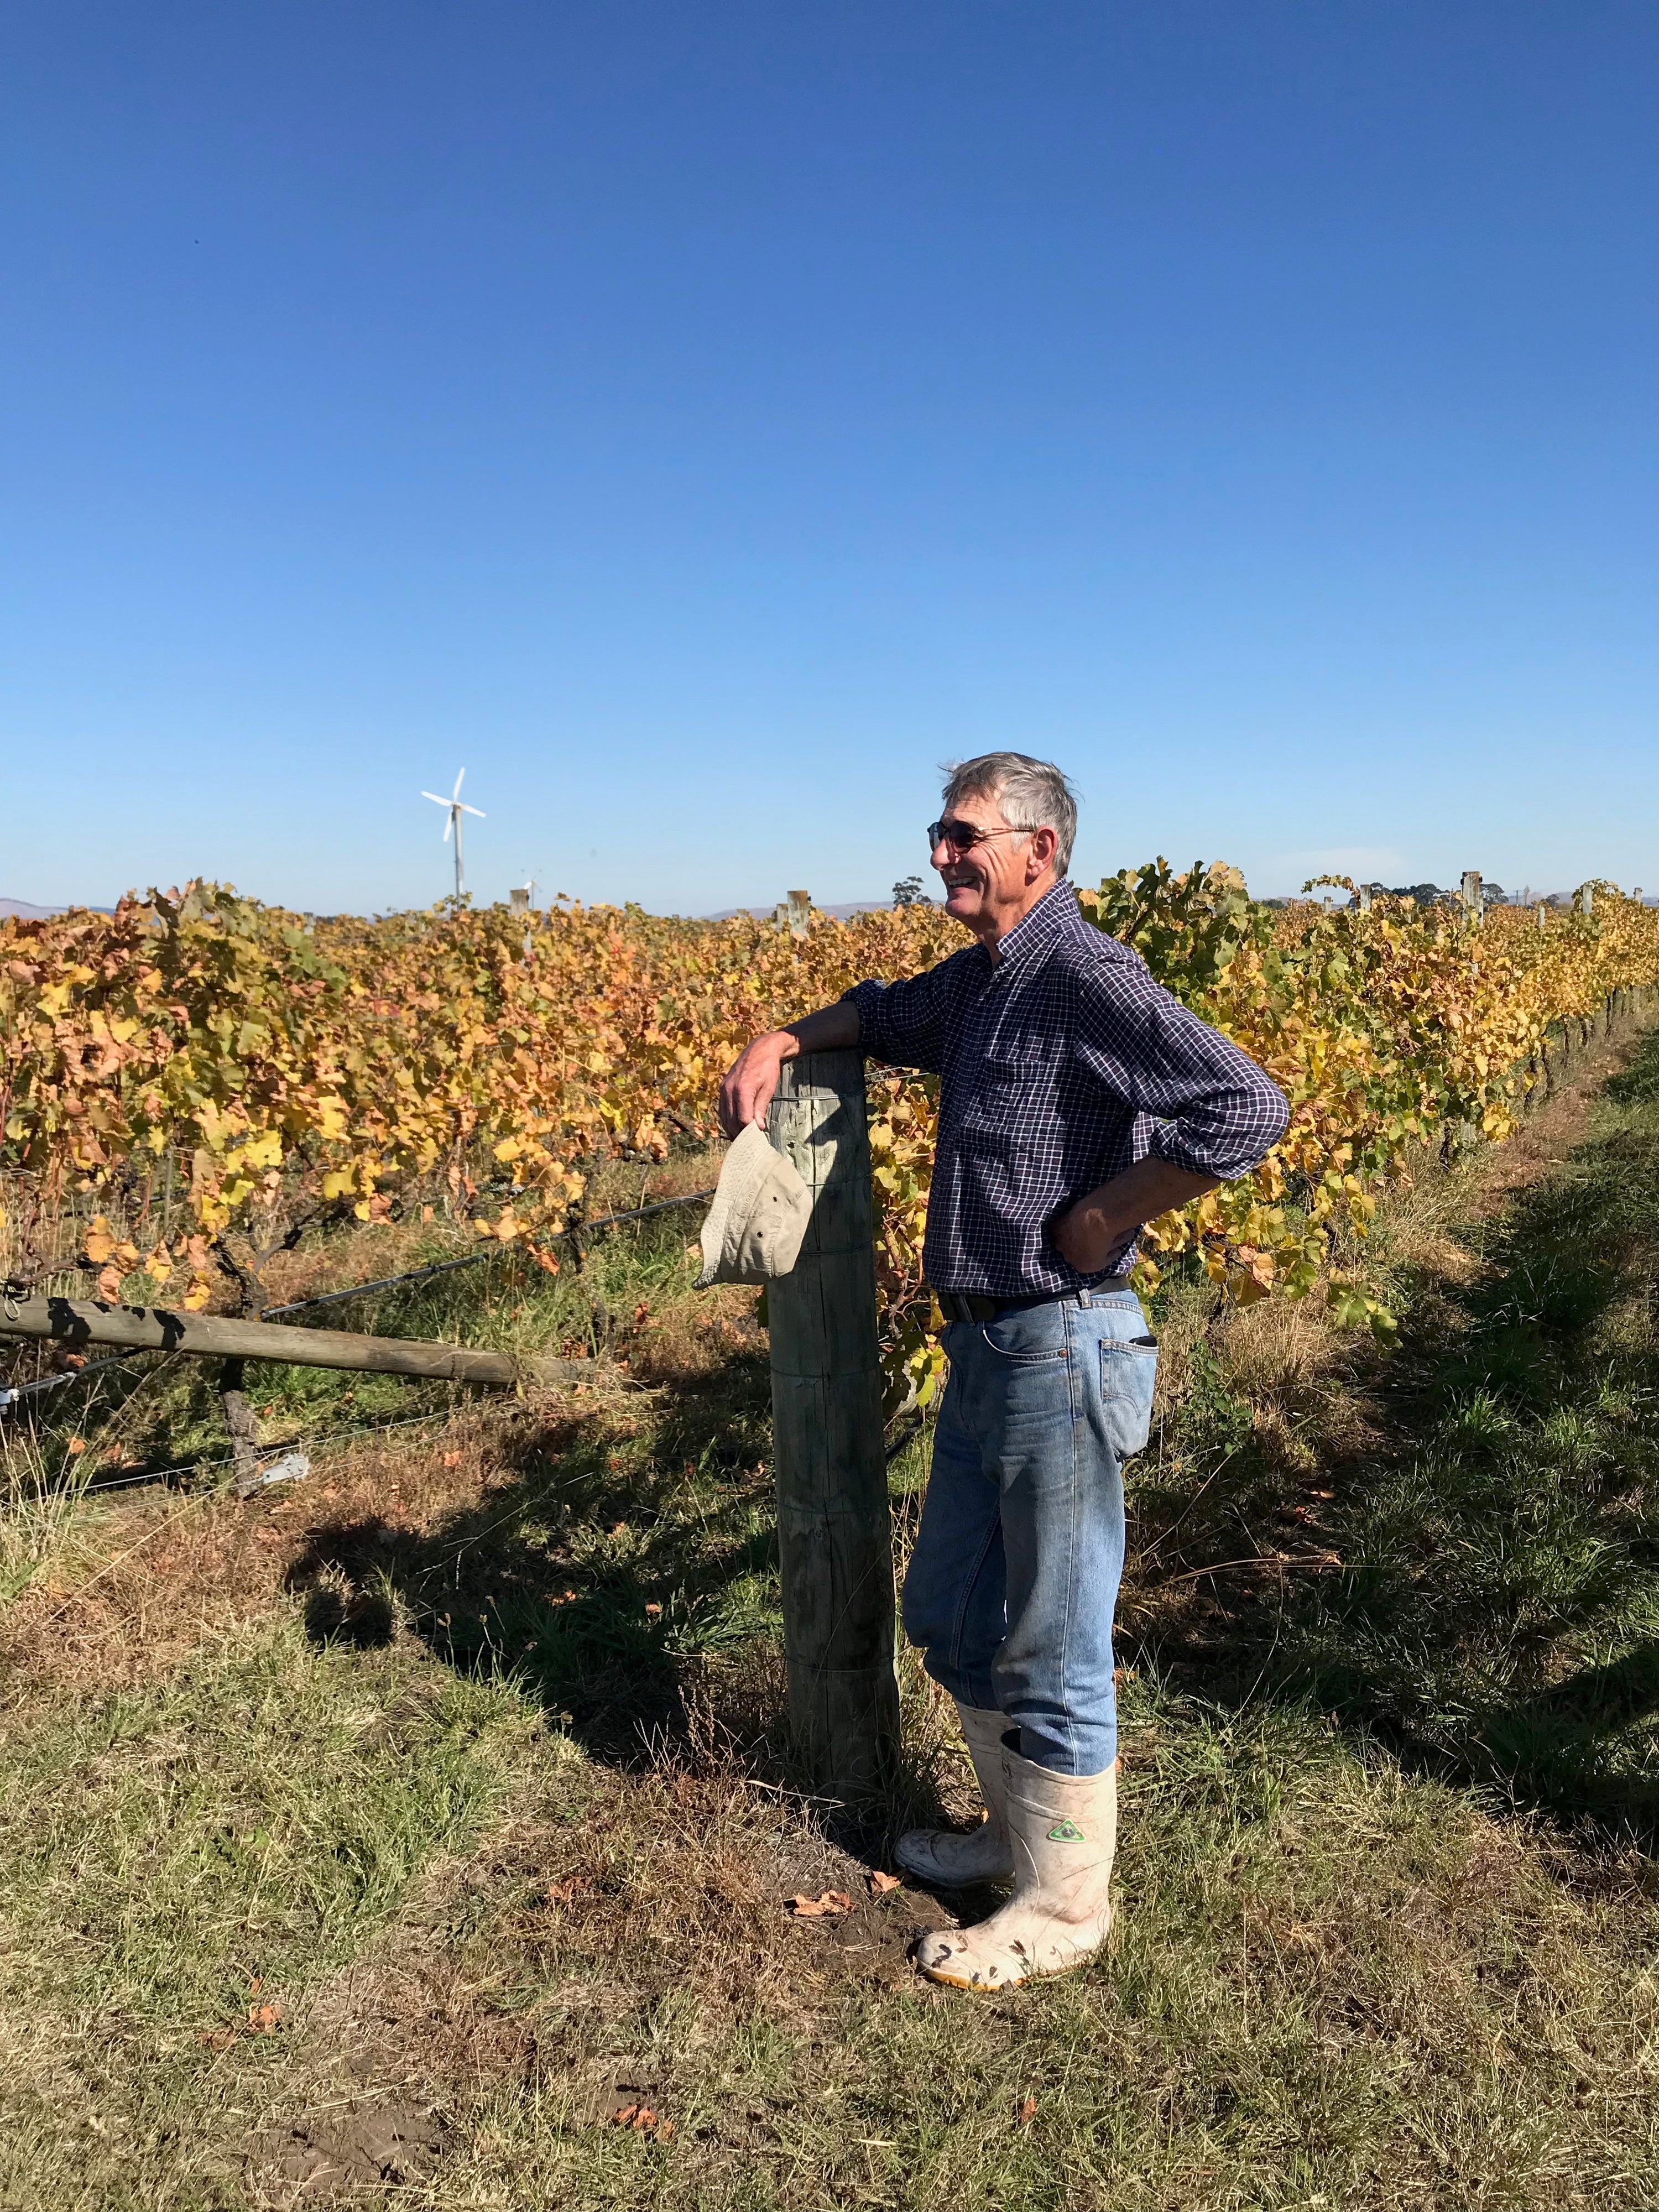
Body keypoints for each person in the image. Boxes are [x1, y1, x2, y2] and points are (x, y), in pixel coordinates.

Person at [717, 754, 1288, 1991]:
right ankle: (1016, 1838)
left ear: (1040, 849)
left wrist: (1108, 1213)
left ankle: (1065, 1908)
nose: (939, 852)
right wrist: (782, 1035)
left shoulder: (1085, 974)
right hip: (987, 1338)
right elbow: (882, 1011)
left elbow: (1246, 1105)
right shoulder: (984, 983)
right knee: (952, 1615)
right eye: (937, 830)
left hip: (1064, 1335)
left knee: (1053, 1641)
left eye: (963, 834)